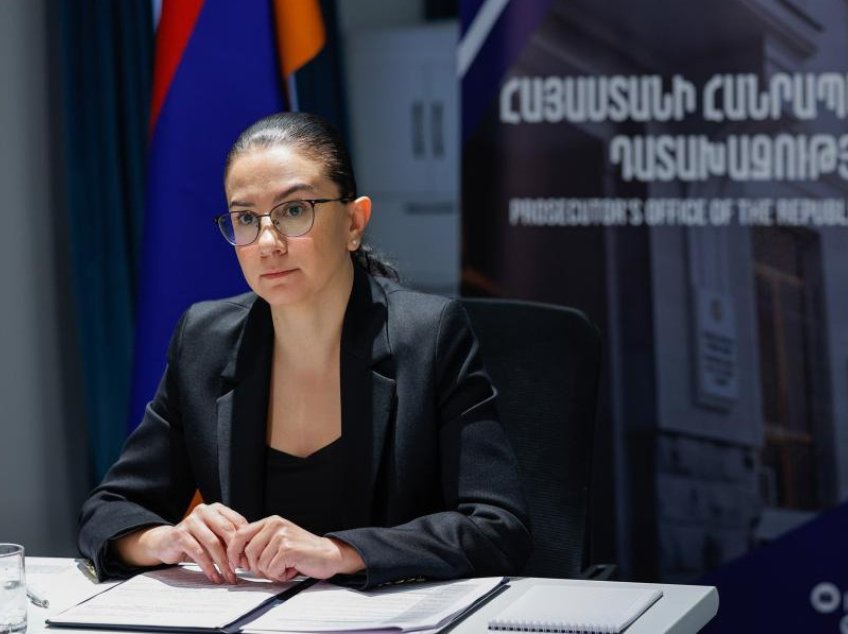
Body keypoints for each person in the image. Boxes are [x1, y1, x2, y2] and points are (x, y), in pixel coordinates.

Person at [78, 112, 532, 588]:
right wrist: (165, 539)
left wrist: (339, 552)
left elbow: (498, 528)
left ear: (354, 222)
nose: (268, 243)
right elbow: (107, 511)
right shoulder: (204, 341)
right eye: (246, 218)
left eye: (294, 211)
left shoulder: (430, 336)